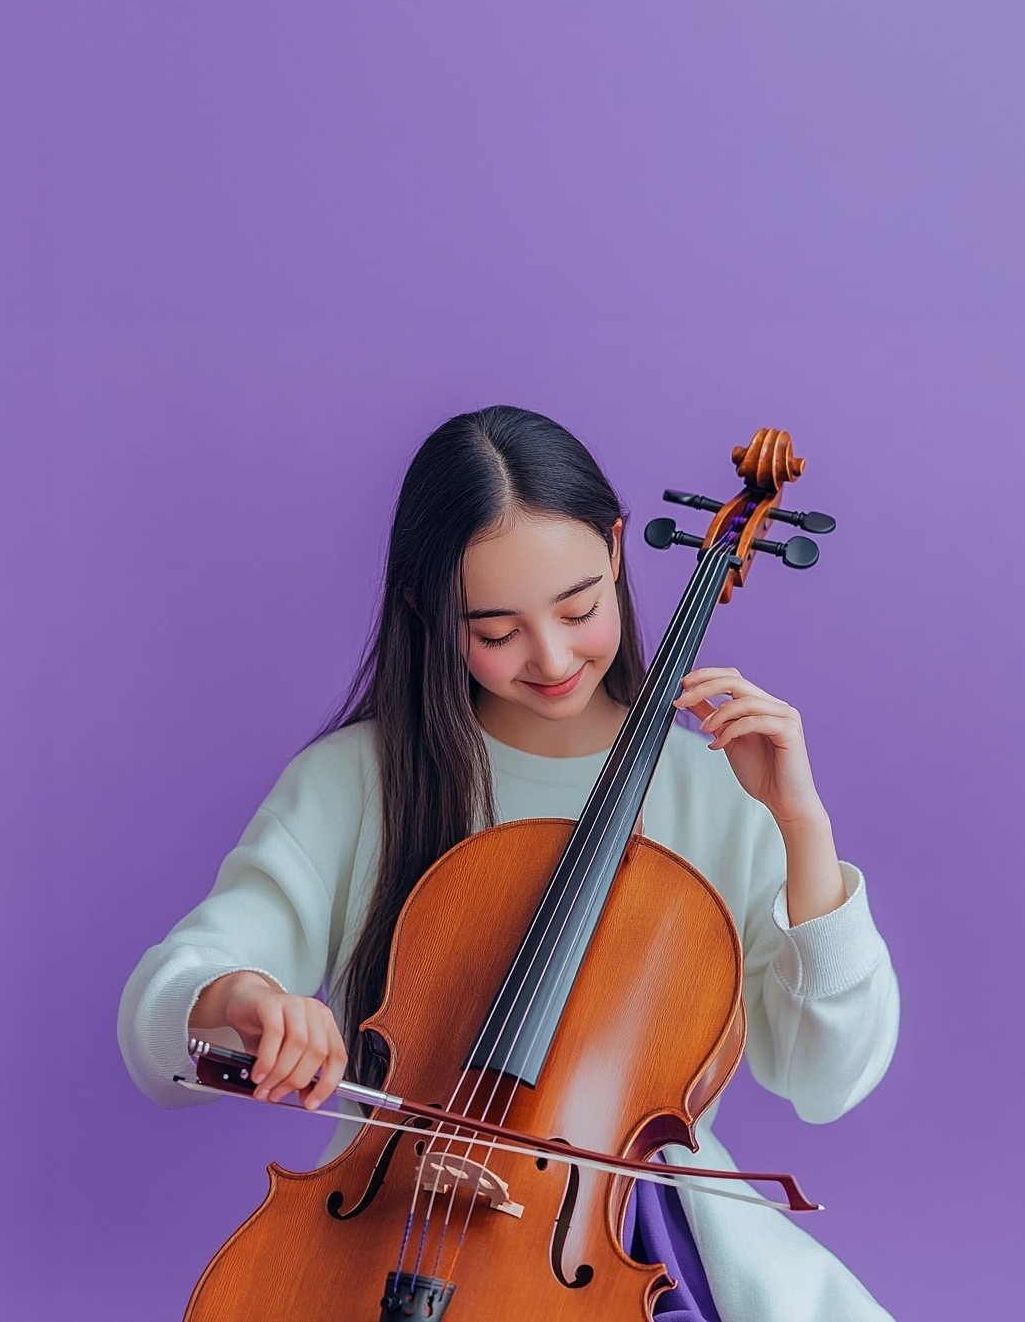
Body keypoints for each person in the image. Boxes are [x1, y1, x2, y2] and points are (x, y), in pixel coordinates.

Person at [118, 405, 899, 1322]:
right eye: (496, 630)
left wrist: (801, 825)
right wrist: (238, 1000)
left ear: (617, 550)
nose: (554, 656)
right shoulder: (354, 782)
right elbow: (161, 1017)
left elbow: (827, 1077)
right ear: (427, 608)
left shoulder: (718, 788)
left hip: (617, 1241)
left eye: (579, 608)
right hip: (385, 1229)